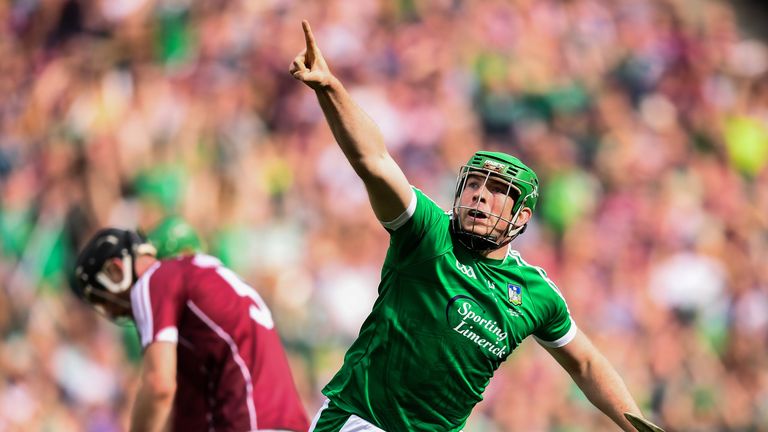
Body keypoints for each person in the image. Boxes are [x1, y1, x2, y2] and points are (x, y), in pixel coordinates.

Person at [290, 20, 664, 432]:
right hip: (364, 422)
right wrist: (330, 89)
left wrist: (637, 425)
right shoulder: (427, 232)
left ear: (522, 216)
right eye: (474, 185)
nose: (480, 196)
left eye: (498, 190)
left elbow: (587, 363)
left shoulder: (537, 293)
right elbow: (374, 163)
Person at [71, 228, 309, 432]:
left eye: (105, 302)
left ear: (115, 271)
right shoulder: (206, 278)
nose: (115, 312)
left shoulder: (153, 281)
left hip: (249, 421)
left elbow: (159, 386)